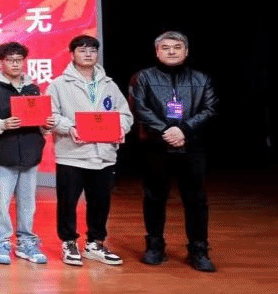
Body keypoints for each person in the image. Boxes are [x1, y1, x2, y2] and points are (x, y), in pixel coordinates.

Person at [129, 31, 219, 271]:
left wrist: (184, 130)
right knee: (154, 197)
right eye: (166, 47)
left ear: (186, 51)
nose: (171, 51)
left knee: (196, 200)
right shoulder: (143, 77)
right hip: (155, 146)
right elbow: (139, 108)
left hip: (192, 146)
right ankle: (155, 246)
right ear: (157, 52)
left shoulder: (201, 78)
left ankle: (199, 249)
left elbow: (210, 109)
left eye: (177, 47)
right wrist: (166, 131)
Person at [46, 34, 133, 267]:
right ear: (72, 54)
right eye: (82, 50)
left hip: (104, 154)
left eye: (93, 50)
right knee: (68, 202)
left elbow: (125, 114)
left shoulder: (109, 84)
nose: (88, 54)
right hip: (72, 154)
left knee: (100, 202)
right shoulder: (58, 84)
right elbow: (51, 116)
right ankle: (68, 242)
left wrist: (121, 128)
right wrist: (69, 127)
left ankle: (95, 243)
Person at [0, 41, 53, 266]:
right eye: (10, 60)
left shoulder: (33, 89)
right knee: (1, 203)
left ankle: (26, 241)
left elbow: (42, 122)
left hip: (30, 153)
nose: (15, 64)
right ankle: (1, 242)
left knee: (28, 202)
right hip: (2, 153)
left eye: (19, 60)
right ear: (1, 62)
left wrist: (46, 125)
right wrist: (3, 124)